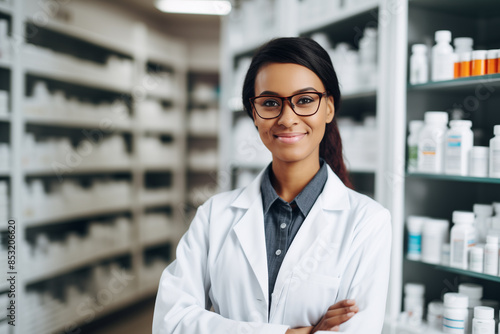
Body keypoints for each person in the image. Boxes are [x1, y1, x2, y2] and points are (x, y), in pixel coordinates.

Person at [152, 37, 392, 334]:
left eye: (305, 100)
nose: (287, 118)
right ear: (254, 114)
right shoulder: (215, 214)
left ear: (329, 108)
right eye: (270, 103)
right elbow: (170, 323)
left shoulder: (368, 222)